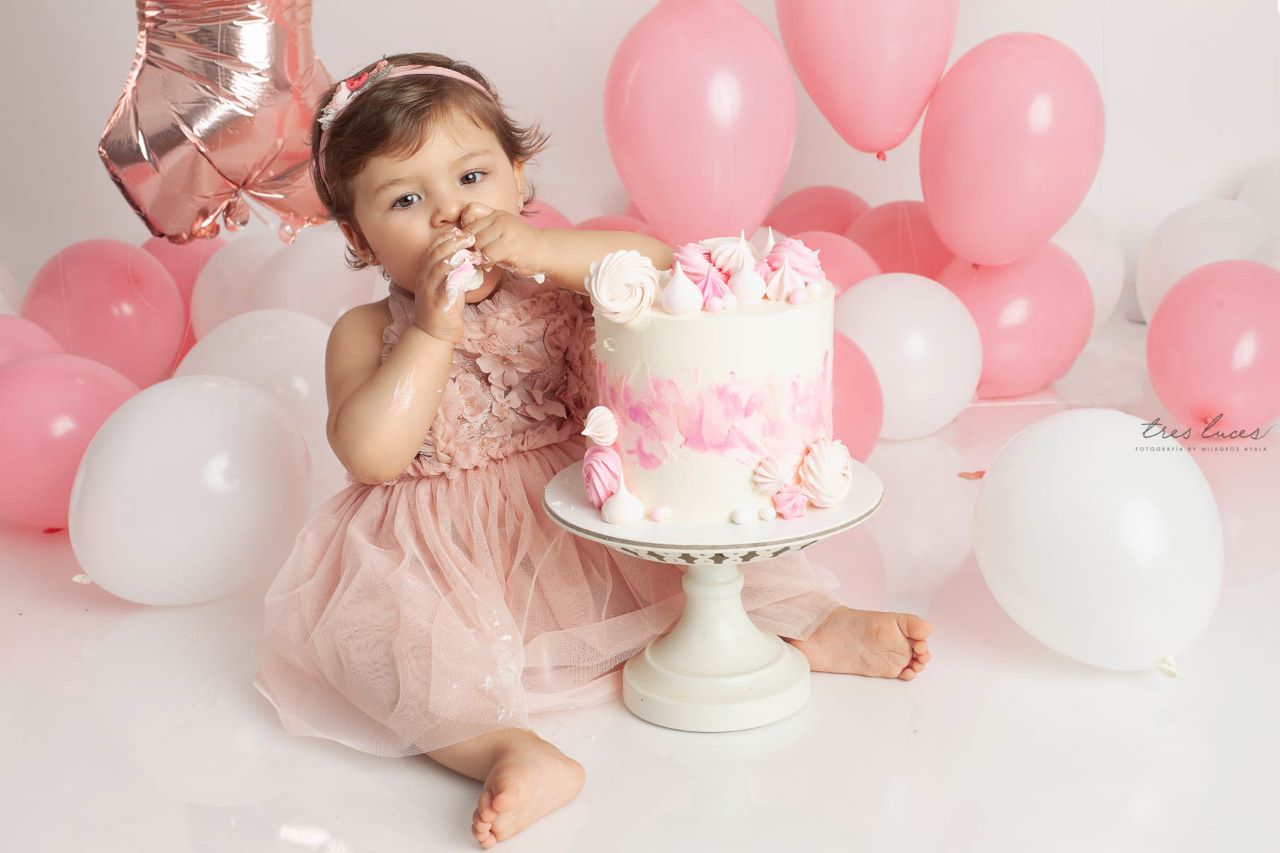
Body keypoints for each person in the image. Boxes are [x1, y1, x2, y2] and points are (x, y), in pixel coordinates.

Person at [253, 51, 934, 849]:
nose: (449, 214)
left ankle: (813, 625)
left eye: (471, 179)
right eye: (407, 200)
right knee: (391, 648)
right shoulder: (366, 332)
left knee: (705, 536)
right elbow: (371, 453)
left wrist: (539, 253)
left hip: (585, 510)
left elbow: (655, 268)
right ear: (358, 237)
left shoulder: (565, 274)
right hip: (442, 549)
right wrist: (432, 331)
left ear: (517, 176)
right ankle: (508, 747)